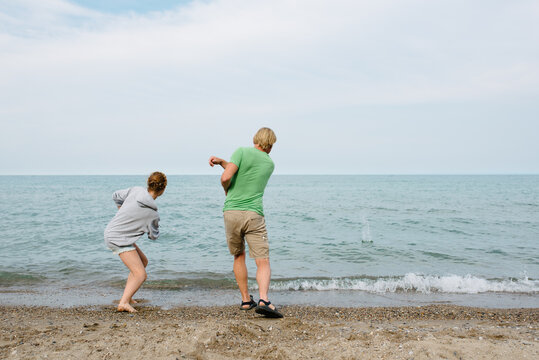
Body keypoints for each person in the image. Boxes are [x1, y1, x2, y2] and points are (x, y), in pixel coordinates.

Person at [209, 127, 283, 318]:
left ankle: (245, 300)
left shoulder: (241, 151)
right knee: (262, 260)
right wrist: (224, 163)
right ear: (270, 144)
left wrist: (227, 188)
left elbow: (229, 176)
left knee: (238, 255)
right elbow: (248, 173)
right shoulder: (269, 164)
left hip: (231, 212)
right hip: (253, 213)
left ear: (256, 139)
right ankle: (264, 299)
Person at [104, 172, 167, 313]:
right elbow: (153, 236)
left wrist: (122, 211)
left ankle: (129, 296)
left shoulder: (136, 190)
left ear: (148, 183)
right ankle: (124, 302)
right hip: (118, 237)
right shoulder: (153, 214)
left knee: (143, 262)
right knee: (141, 275)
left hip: (116, 233)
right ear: (162, 190)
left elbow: (116, 195)